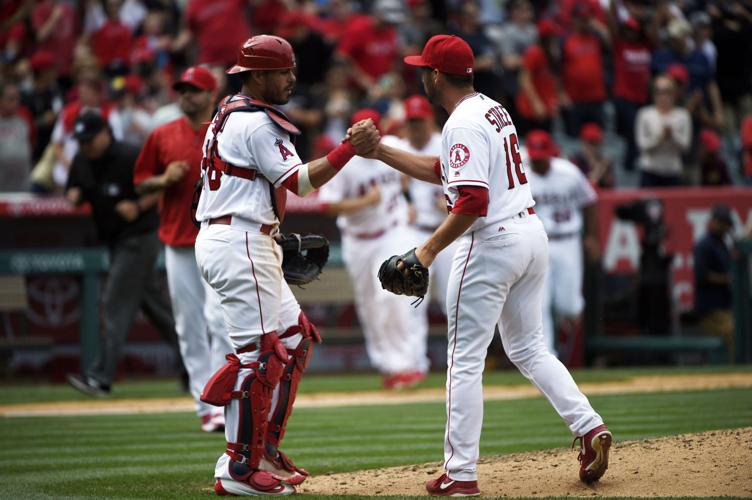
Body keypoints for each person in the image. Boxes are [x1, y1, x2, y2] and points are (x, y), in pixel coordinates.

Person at [369, 34, 611, 496]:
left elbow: (473, 200)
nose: (421, 75)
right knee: (529, 348)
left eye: (424, 69)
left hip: (492, 241)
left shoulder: (460, 122)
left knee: (464, 360)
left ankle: (460, 473)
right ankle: (589, 426)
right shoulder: (491, 109)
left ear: (436, 76)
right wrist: (382, 151)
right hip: (530, 234)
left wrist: (427, 250)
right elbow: (448, 171)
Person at [193, 35, 378, 496]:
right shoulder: (255, 123)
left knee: (294, 340)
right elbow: (301, 183)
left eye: (292, 69)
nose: (292, 78)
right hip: (238, 240)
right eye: (282, 71)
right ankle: (238, 468)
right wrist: (347, 148)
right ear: (256, 75)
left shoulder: (231, 109)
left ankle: (264, 449)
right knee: (259, 356)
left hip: (245, 235)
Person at [133, 66, 233, 433]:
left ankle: (221, 400)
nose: (185, 95)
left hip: (217, 238)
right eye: (182, 89)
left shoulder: (224, 132)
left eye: (194, 89)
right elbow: (140, 184)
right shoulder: (162, 136)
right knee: (188, 326)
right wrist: (163, 179)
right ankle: (204, 406)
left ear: (211, 94)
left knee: (219, 320)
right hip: (177, 242)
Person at [65, 112, 179, 397]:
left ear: (106, 133)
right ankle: (199, 368)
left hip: (140, 236)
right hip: (113, 239)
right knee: (158, 311)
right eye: (81, 141)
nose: (86, 146)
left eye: (90, 140)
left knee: (114, 302)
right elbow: (73, 188)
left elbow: (162, 185)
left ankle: (100, 377)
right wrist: (74, 195)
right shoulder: (82, 160)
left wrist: (139, 206)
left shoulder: (129, 156)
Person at [318, 109, 428, 390]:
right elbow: (328, 205)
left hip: (393, 231)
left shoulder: (393, 148)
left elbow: (409, 172)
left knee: (393, 297)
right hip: (358, 240)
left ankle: (409, 364)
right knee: (369, 307)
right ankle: (389, 366)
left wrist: (408, 200)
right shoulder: (342, 161)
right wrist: (365, 202)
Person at [524, 130, 599, 361]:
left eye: (542, 157)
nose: (538, 161)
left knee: (570, 306)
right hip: (537, 243)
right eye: (534, 157)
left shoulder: (568, 172)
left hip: (567, 240)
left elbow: (590, 201)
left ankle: (568, 318)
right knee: (540, 302)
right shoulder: (520, 173)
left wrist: (592, 237)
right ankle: (548, 358)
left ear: (551, 154)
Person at [400, 95, 458, 315]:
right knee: (410, 303)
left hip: (448, 234)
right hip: (414, 232)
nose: (416, 127)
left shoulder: (447, 143)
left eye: (420, 121)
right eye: (412, 121)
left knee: (452, 300)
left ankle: (458, 349)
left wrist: (454, 202)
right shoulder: (399, 148)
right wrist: (406, 201)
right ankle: (413, 351)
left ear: (430, 119)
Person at [693, 204, 735, 360]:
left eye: (727, 224)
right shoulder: (704, 245)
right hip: (710, 309)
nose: (725, 227)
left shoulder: (723, 244)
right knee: (733, 332)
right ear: (713, 221)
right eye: (722, 223)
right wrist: (728, 279)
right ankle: (736, 369)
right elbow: (702, 275)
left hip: (725, 306)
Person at [635, 74, 692, 187]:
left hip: (673, 171)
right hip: (650, 171)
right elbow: (641, 145)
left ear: (674, 93)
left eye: (667, 91)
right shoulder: (644, 114)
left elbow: (686, 147)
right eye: (659, 91)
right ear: (653, 93)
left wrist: (672, 136)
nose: (663, 96)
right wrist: (660, 138)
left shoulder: (683, 115)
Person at [570, 122, 615, 189]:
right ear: (583, 143)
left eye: (597, 143)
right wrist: (598, 169)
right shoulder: (576, 161)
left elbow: (610, 187)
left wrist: (604, 171)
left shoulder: (605, 161)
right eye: (591, 143)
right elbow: (584, 188)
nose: (594, 147)